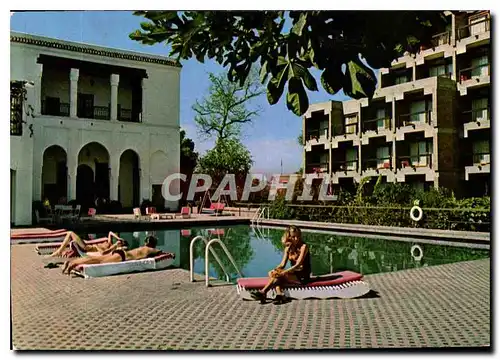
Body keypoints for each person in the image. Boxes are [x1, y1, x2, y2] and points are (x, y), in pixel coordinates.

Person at [251, 226, 311, 304]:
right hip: (293, 274)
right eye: (293, 237)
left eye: (298, 236)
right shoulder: (288, 248)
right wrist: (274, 270)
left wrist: (283, 273)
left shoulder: (304, 247)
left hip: (303, 276)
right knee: (275, 275)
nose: (296, 239)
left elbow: (298, 264)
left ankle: (264, 292)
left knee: (279, 276)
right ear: (289, 237)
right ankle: (280, 294)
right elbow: (282, 264)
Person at [62, 235, 164, 275]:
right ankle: (72, 264)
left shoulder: (142, 247)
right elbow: (161, 252)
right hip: (122, 256)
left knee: (96, 259)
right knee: (99, 261)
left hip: (120, 253)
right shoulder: (151, 249)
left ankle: (72, 262)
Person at [48, 231, 127, 258]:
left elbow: (102, 253)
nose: (119, 242)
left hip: (86, 248)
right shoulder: (110, 243)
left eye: (121, 243)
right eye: (120, 241)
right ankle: (60, 251)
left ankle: (59, 251)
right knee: (70, 234)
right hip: (85, 245)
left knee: (70, 233)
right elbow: (110, 232)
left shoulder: (112, 247)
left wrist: (96, 246)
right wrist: (118, 238)